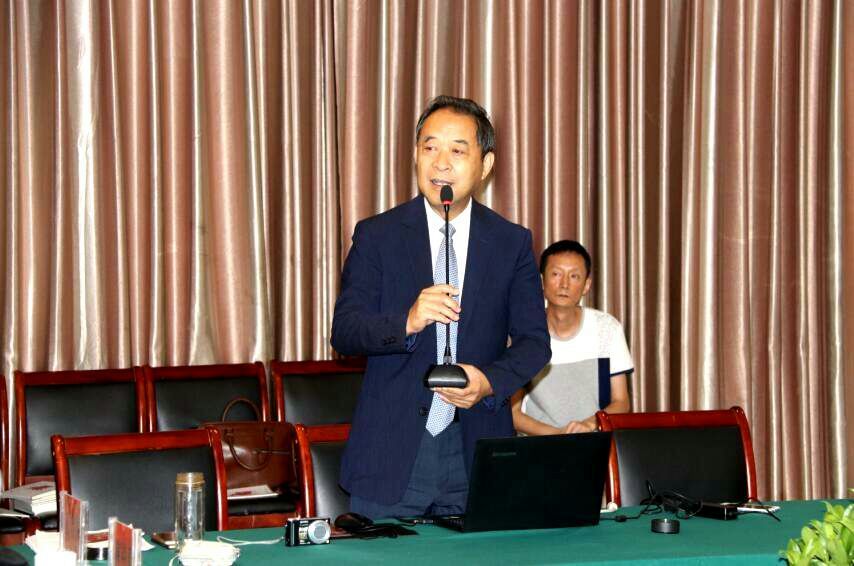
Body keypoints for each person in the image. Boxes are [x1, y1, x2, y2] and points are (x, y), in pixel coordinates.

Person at [331, 95, 550, 519]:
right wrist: (406, 321)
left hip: (475, 448)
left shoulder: (511, 243)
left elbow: (535, 343)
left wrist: (488, 381)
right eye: (429, 147)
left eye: (457, 151)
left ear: (485, 165)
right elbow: (345, 331)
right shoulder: (378, 236)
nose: (441, 163)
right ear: (415, 155)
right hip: (392, 453)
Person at [511, 240, 632, 435]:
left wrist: (588, 425)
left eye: (574, 276)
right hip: (538, 443)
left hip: (593, 442)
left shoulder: (607, 328)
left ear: (586, 285)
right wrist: (558, 436)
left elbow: (621, 402)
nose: (564, 284)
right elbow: (513, 412)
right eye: (556, 274)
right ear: (541, 281)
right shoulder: (523, 331)